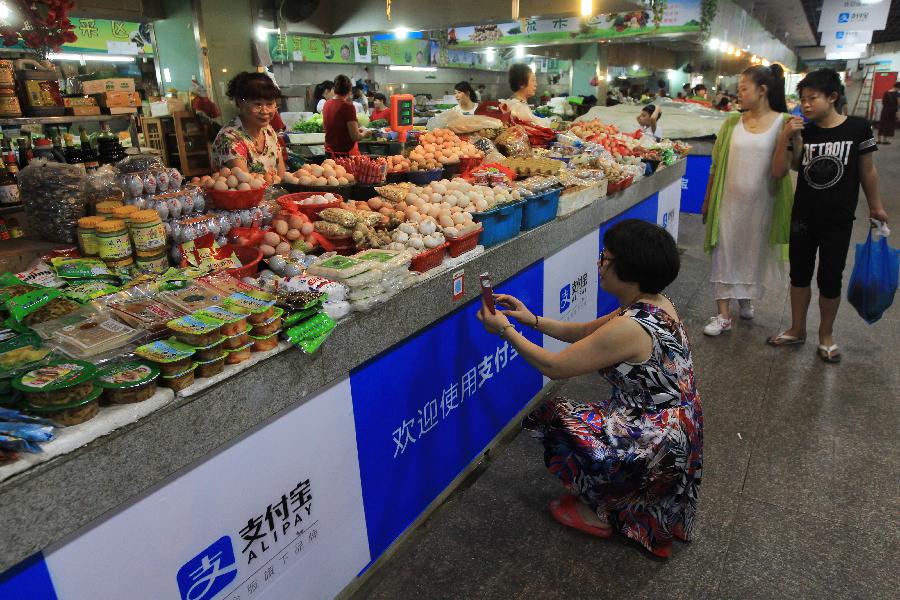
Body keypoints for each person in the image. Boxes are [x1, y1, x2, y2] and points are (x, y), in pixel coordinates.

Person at [476, 219, 702, 559]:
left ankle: (603, 509)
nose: (599, 263)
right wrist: (530, 320)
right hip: (677, 425)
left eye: (606, 258)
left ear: (629, 271)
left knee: (556, 417)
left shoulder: (631, 326)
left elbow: (554, 367)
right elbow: (584, 332)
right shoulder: (653, 302)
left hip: (656, 437)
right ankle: (632, 495)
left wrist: (505, 330)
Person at [769, 69, 889, 362]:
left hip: (838, 217)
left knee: (830, 277)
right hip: (803, 216)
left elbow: (868, 171)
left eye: (813, 98)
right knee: (799, 274)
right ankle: (798, 329)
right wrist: (790, 137)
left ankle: (826, 336)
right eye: (802, 99)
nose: (806, 104)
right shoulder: (804, 130)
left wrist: (876, 205)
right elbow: (788, 168)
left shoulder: (858, 128)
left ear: (832, 97)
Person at [701, 65, 792, 336]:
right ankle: (723, 315)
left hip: (763, 205)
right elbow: (715, 166)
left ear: (762, 90)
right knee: (724, 252)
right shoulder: (731, 123)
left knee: (751, 253)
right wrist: (707, 199)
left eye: (743, 88)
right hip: (728, 202)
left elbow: (785, 169)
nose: (738, 93)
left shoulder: (783, 122)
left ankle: (745, 299)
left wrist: (787, 137)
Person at [212, 71, 286, 180]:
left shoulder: (268, 130)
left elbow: (281, 176)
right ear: (240, 103)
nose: (265, 110)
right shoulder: (229, 138)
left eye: (270, 104)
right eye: (257, 104)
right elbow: (246, 184)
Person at [322, 74, 365, 156]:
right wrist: (366, 133)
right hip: (343, 155)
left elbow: (334, 127)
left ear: (334, 89)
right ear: (349, 90)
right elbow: (355, 137)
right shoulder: (348, 107)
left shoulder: (327, 104)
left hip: (329, 153)